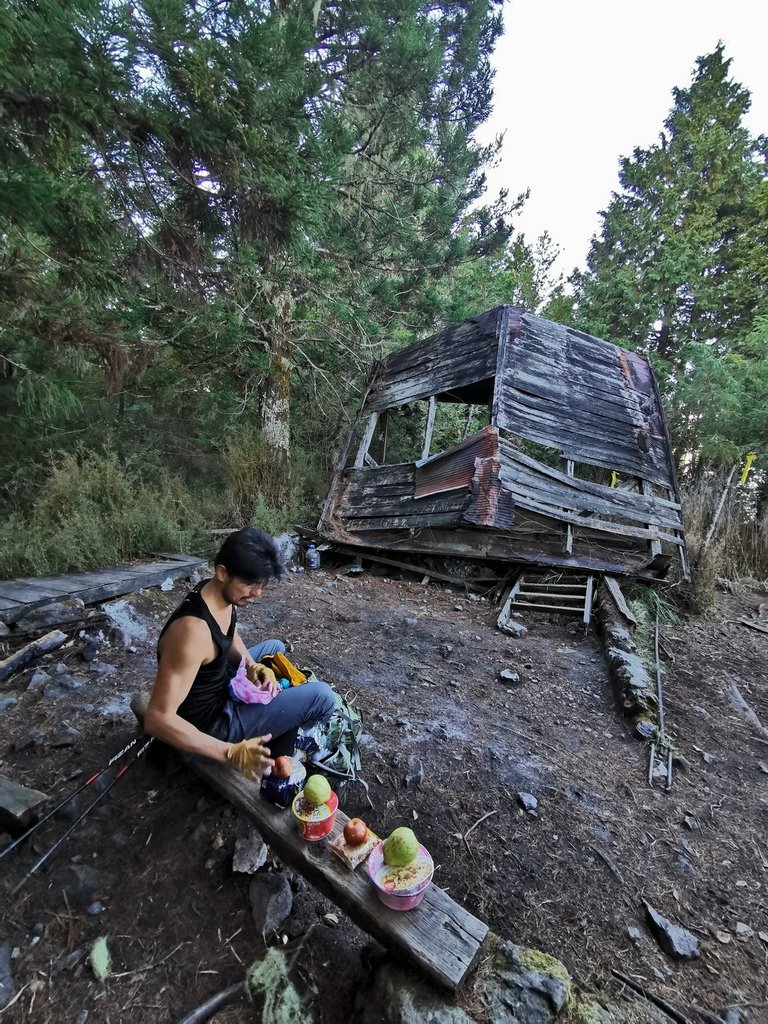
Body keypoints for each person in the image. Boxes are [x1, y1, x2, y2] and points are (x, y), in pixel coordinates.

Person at [144, 527, 336, 781]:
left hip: (217, 687)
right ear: (222, 572)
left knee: (274, 647)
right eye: (249, 583)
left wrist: (252, 666)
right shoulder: (192, 633)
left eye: (260, 584)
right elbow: (157, 719)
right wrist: (230, 752)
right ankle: (279, 746)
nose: (257, 593)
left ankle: (275, 723)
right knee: (322, 696)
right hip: (211, 727)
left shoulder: (215, 594)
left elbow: (228, 633)